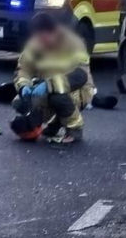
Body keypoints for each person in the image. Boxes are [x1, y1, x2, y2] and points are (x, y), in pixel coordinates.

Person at [10, 12, 94, 145]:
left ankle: (75, 129)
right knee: (19, 101)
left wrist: (49, 85)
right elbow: (23, 70)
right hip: (48, 86)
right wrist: (23, 86)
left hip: (78, 90)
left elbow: (80, 76)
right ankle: (52, 123)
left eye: (43, 38)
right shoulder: (36, 44)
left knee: (57, 96)